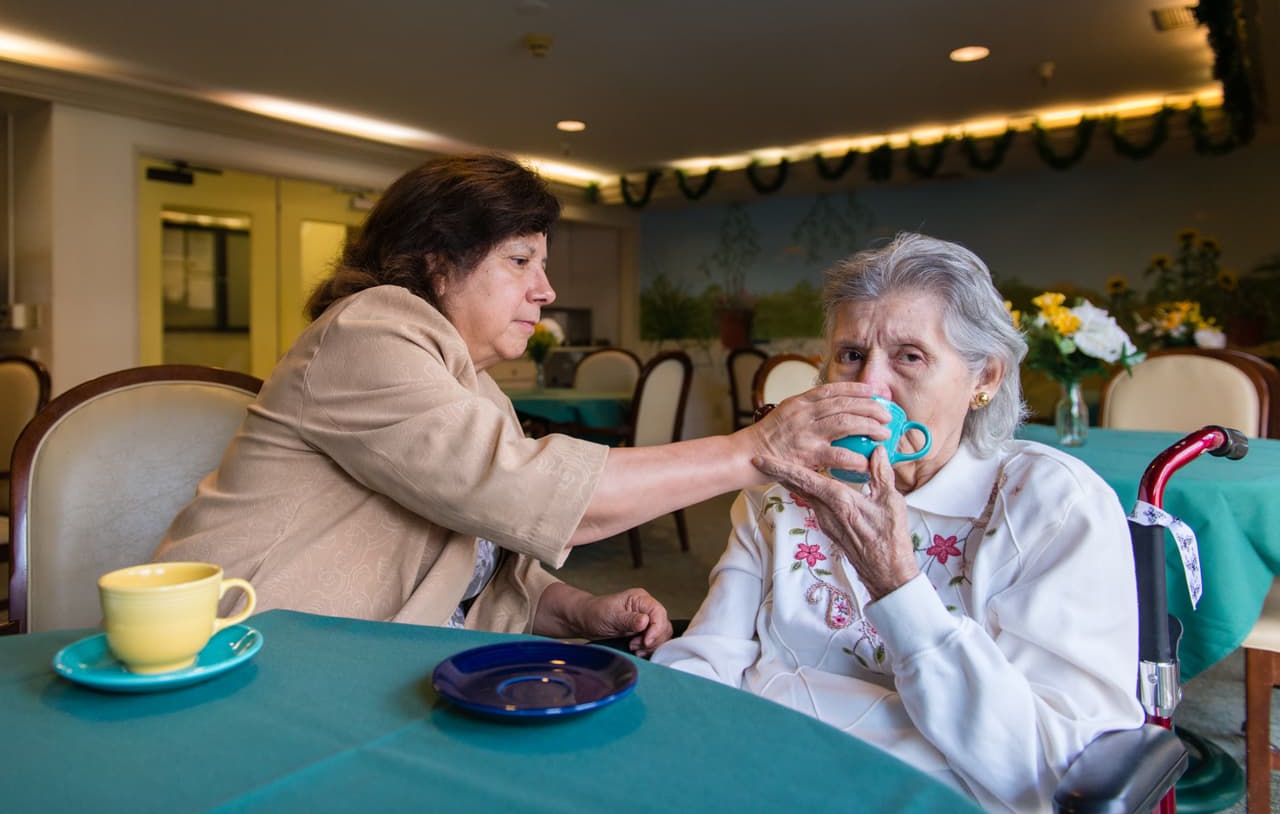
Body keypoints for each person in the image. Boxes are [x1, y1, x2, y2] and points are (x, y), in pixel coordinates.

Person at [155, 153, 881, 656]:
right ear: (438, 262)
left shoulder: (474, 388)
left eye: (543, 262)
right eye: (519, 260)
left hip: (359, 667)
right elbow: (527, 490)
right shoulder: (368, 327)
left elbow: (471, 565)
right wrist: (753, 449)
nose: (547, 290)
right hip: (243, 659)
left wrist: (574, 609)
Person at [651, 232, 1144, 809]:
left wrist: (897, 586)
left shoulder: (1053, 505)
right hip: (759, 775)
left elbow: (1047, 771)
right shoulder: (786, 491)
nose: (868, 387)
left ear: (984, 378)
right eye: (851, 355)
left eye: (909, 356)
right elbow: (707, 658)